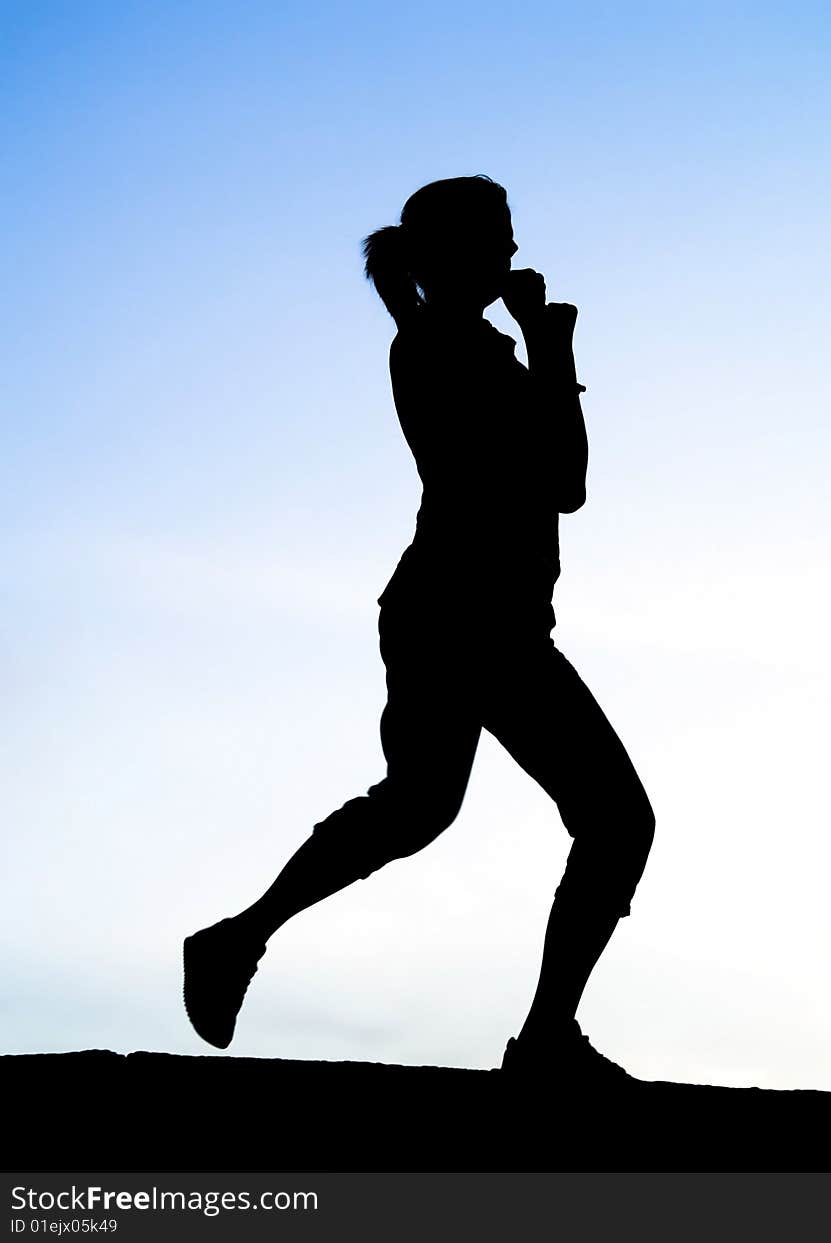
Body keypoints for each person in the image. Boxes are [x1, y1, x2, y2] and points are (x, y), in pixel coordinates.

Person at [183, 175, 655, 1080]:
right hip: (470, 621)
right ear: (452, 253)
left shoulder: (474, 348)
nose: (515, 252)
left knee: (420, 806)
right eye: (500, 237)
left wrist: (541, 349)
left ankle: (236, 938)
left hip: (470, 618)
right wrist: (551, 347)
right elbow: (564, 481)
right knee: (614, 818)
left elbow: (563, 480)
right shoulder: (440, 348)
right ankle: (547, 1037)